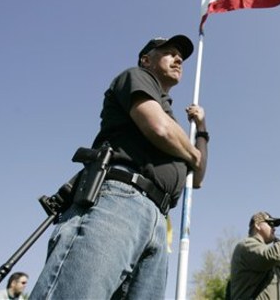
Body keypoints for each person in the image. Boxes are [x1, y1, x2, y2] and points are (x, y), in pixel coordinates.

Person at [30, 35, 208, 299]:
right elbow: (158, 128)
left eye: (180, 56)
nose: (179, 59)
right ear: (146, 59)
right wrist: (192, 153)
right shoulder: (136, 76)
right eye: (169, 52)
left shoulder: (178, 126)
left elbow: (198, 178)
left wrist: (201, 128)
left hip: (158, 223)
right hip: (119, 201)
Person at [229, 211, 280, 299]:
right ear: (257, 225)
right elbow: (271, 255)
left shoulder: (265, 257)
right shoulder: (246, 245)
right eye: (270, 224)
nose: (274, 228)